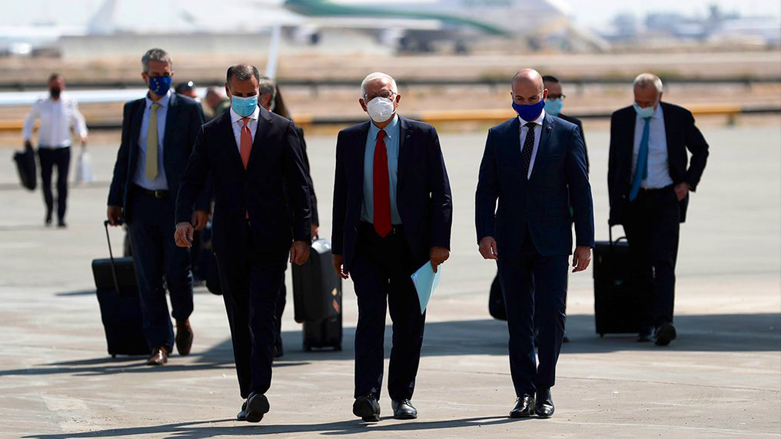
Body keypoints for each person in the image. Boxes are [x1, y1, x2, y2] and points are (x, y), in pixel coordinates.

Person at [174, 64, 312, 423]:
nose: (249, 100)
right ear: (227, 91)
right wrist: (183, 218)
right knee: (239, 315)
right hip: (230, 239)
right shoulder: (212, 132)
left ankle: (259, 389)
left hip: (271, 238)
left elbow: (299, 187)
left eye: (253, 94)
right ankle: (248, 390)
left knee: (263, 313)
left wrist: (302, 235)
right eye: (242, 95)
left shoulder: (282, 130)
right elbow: (191, 181)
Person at [332, 72, 453, 422]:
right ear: (362, 103)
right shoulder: (350, 139)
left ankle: (402, 395)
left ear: (398, 99)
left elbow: (441, 194)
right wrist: (340, 248)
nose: (379, 100)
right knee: (369, 319)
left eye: (385, 94)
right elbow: (344, 196)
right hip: (367, 243)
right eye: (372, 96)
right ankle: (366, 395)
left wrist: (438, 243)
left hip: (410, 246)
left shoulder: (423, 136)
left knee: (408, 323)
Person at [475, 68, 594, 419]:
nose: (526, 104)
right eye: (520, 99)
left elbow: (581, 190)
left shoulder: (568, 134)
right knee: (519, 321)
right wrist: (485, 232)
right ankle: (524, 391)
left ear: (544, 94)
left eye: (533, 98)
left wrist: (584, 242)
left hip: (553, 241)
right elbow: (486, 189)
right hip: (511, 241)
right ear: (511, 98)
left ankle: (545, 388)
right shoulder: (498, 135)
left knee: (551, 314)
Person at [107, 48, 208, 366]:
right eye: (155, 75)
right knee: (147, 276)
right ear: (144, 77)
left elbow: (201, 161)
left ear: (172, 74)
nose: (161, 80)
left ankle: (182, 319)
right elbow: (125, 157)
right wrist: (114, 199)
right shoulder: (133, 110)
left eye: (166, 74)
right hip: (140, 204)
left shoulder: (188, 109)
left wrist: (202, 205)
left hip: (175, 207)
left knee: (178, 272)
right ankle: (159, 344)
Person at [607, 73, 709, 346]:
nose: (643, 106)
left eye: (648, 101)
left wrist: (687, 182)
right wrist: (615, 207)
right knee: (639, 263)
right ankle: (646, 323)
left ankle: (665, 321)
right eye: (638, 101)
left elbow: (701, 150)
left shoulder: (678, 117)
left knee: (663, 261)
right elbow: (615, 166)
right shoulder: (621, 119)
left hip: (666, 197)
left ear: (660, 97)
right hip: (635, 199)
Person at [257, 75, 319, 358]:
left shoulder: (288, 130)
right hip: (246, 218)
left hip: (281, 216)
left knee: (275, 281)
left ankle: (273, 335)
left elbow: (304, 179)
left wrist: (310, 219)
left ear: (267, 99)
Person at [23, 73, 88, 227]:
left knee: (62, 183)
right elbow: (30, 119)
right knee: (46, 182)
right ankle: (49, 209)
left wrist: (82, 134)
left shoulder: (69, 103)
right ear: (49, 87)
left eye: (58, 86)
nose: (56, 89)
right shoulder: (41, 103)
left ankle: (61, 216)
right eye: (53, 86)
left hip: (63, 148)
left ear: (63, 87)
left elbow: (78, 120)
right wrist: (27, 136)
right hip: (45, 148)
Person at [542, 75, 589, 172]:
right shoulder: (525, 125)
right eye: (553, 97)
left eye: (559, 97)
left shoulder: (572, 126)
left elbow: (582, 165)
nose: (557, 101)